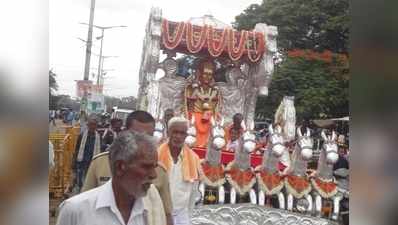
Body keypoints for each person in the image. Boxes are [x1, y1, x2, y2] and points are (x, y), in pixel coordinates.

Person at [82, 110, 174, 225]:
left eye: (148, 137)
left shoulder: (159, 171)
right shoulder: (99, 163)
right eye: (137, 135)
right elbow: (85, 202)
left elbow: (166, 214)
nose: (143, 141)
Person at [56, 131, 166, 225]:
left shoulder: (151, 209)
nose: (154, 175)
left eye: (154, 167)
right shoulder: (76, 210)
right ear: (120, 167)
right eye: (146, 167)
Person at [158, 116, 201, 225]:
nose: (178, 136)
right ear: (168, 133)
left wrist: (188, 216)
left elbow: (193, 192)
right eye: (175, 132)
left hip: (182, 216)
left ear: (186, 135)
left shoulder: (194, 158)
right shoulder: (155, 155)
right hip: (158, 213)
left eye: (182, 133)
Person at [184, 59, 220, 148]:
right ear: (199, 73)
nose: (207, 77)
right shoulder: (190, 88)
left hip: (209, 119)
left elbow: (216, 108)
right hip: (194, 119)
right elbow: (188, 105)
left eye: (210, 74)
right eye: (205, 73)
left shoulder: (215, 90)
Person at [72, 115, 102, 192]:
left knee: (89, 179)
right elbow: (77, 148)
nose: (92, 126)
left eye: (94, 125)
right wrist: (74, 160)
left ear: (96, 126)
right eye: (91, 124)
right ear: (88, 125)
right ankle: (80, 190)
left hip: (92, 161)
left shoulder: (98, 137)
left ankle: (86, 191)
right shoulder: (82, 135)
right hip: (82, 160)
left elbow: (100, 150)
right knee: (80, 178)